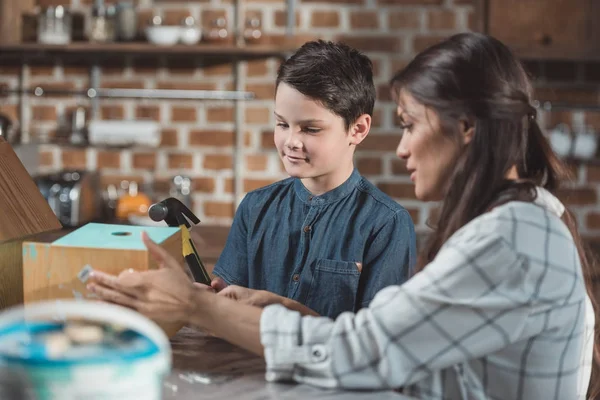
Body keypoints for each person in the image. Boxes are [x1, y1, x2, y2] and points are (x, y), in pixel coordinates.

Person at [87, 32, 599, 399]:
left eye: (409, 125)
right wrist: (280, 310)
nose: (400, 150)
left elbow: (369, 352)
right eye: (282, 124)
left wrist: (196, 307)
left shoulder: (509, 237)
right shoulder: (524, 220)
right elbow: (403, 350)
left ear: (465, 126)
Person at [202, 40, 416, 319]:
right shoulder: (255, 207)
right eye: (282, 124)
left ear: (358, 129)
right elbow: (227, 305)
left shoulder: (386, 224)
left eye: (310, 129)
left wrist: (275, 307)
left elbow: (376, 341)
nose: (290, 141)